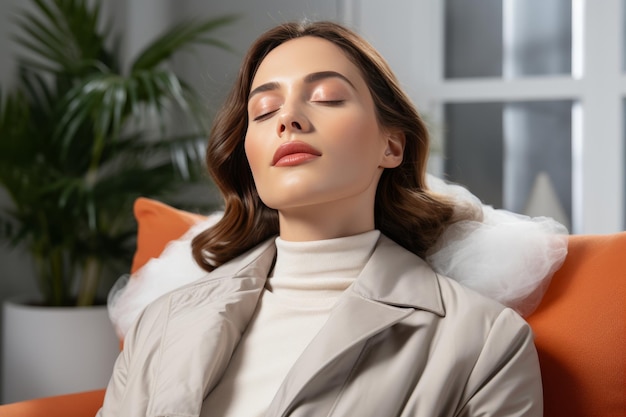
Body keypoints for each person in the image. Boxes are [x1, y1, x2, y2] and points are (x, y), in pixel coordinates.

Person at [97, 20, 546, 416]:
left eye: (327, 98)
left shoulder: (485, 343)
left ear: (391, 146)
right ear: (248, 156)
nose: (288, 118)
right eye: (264, 110)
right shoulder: (161, 322)